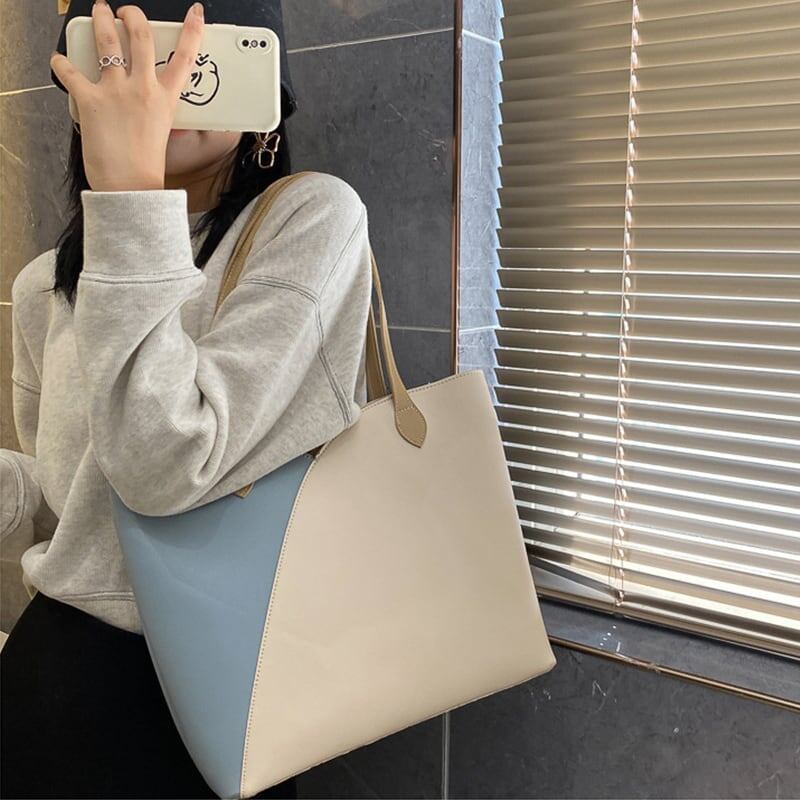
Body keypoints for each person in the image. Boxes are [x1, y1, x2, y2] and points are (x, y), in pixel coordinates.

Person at [0, 1, 373, 797]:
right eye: (123, 59)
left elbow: (166, 465)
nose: (158, 85)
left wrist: (130, 196)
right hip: (54, 678)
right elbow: (74, 499)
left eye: (192, 61)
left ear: (263, 96)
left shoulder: (310, 220)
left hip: (224, 679)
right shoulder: (44, 285)